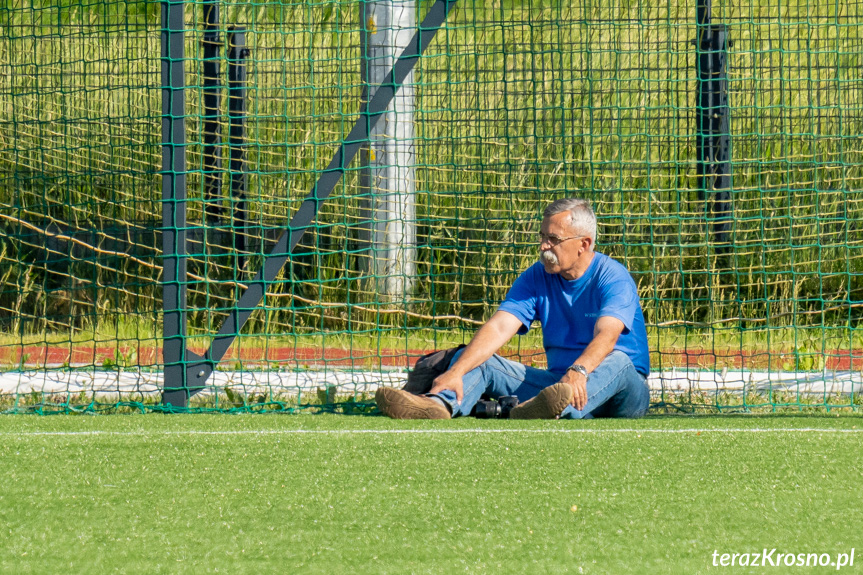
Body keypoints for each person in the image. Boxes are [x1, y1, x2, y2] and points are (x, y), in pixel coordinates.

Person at [375, 198, 650, 420]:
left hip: (622, 391)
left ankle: (554, 409)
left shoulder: (613, 276)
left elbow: (607, 335)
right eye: (543, 236)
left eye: (554, 239)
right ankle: (438, 405)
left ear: (584, 244)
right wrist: (456, 371)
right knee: (475, 359)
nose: (544, 246)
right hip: (560, 382)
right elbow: (499, 327)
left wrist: (579, 371)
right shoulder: (537, 275)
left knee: (619, 360)